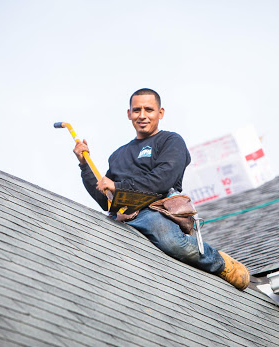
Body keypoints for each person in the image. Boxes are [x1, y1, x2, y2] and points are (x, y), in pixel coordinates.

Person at [74, 88, 250, 290]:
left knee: (173, 243)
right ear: (129, 114)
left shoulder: (170, 141)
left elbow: (161, 181)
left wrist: (117, 186)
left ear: (161, 112)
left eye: (149, 109)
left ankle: (221, 263)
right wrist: (84, 166)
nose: (142, 115)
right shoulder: (118, 155)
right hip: (122, 216)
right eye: (137, 110)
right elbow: (105, 200)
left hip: (154, 210)